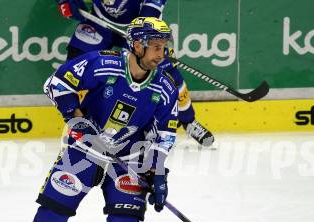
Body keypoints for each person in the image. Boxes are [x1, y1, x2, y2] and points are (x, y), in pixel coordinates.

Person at [0, 17, 178, 222]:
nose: (161, 54)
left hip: (126, 160)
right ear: (136, 46)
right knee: (49, 217)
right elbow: (55, 84)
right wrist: (76, 118)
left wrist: (159, 172)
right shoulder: (102, 63)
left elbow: (165, 134)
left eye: (164, 47)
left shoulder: (164, 88)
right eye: (154, 46)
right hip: (83, 151)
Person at [55, 0, 214, 146]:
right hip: (99, 23)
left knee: (169, 75)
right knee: (76, 67)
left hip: (142, 30)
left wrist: (137, 43)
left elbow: (149, 14)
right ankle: (82, 126)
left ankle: (189, 121)